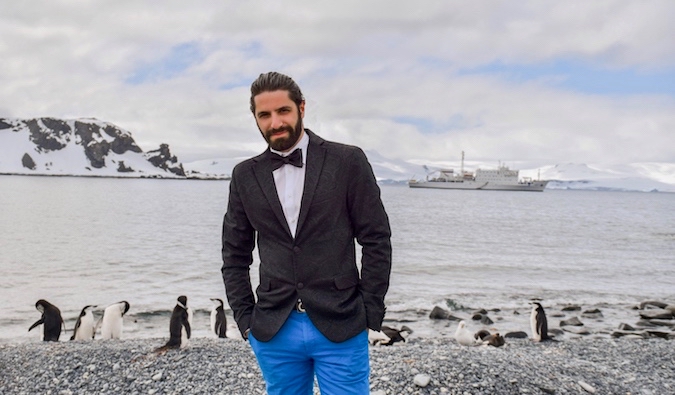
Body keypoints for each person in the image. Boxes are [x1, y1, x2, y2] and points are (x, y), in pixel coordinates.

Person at [221, 71, 392, 395]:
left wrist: (370, 311)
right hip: (274, 328)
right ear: (256, 118)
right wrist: (246, 320)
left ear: (301, 107)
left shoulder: (347, 161)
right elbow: (234, 254)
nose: (275, 123)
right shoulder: (245, 175)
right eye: (265, 115)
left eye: (283, 111)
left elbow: (376, 239)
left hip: (342, 323)